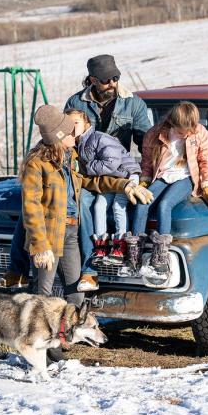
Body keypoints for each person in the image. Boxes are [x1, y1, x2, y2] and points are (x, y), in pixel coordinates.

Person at [0, 55, 152, 288]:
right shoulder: (76, 103)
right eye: (107, 80)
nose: (113, 84)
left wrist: (144, 175)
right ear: (92, 80)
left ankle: (89, 271)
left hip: (111, 170)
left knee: (82, 203)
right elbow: (62, 135)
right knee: (30, 207)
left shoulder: (133, 103)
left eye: (116, 78)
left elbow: (145, 142)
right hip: (79, 168)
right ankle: (17, 271)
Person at [19, 104, 152, 361]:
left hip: (70, 231)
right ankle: (41, 350)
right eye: (70, 132)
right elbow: (31, 207)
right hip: (48, 236)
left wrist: (124, 185)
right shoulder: (37, 165)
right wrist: (39, 245)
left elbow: (92, 181)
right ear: (59, 136)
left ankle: (64, 338)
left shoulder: (70, 157)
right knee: (43, 295)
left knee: (75, 290)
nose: (75, 136)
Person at [132, 101, 208, 276]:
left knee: (165, 204)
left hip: (187, 176)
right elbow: (147, 161)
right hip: (163, 175)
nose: (187, 133)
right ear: (173, 123)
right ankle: (135, 255)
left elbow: (207, 160)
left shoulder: (199, 133)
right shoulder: (155, 134)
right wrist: (144, 180)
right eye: (183, 130)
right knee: (142, 202)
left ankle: (161, 257)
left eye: (190, 129)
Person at [66, 109, 141, 285]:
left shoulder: (99, 138)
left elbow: (111, 163)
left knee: (118, 206)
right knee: (99, 204)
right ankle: (100, 245)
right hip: (109, 180)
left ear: (86, 124)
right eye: (69, 124)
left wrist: (85, 168)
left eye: (76, 122)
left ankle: (120, 245)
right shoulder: (77, 144)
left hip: (126, 175)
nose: (73, 127)